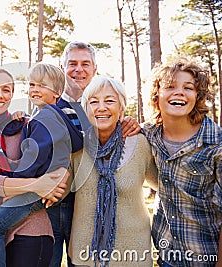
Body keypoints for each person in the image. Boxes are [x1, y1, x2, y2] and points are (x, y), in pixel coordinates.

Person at [0, 67, 70, 267]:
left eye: (6, 90)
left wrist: (58, 180)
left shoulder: (27, 126)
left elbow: (60, 160)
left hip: (31, 230)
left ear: (12, 94)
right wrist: (36, 185)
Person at [51, 41, 140, 267]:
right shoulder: (49, 105)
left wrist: (128, 122)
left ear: (94, 69)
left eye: (85, 64)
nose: (78, 69)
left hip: (88, 203)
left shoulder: (103, 106)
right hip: (53, 202)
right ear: (63, 68)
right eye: (72, 64)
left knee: (82, 259)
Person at [68, 75, 157, 266]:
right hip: (85, 255)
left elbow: (162, 183)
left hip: (133, 255)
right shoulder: (76, 147)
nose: (101, 107)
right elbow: (60, 189)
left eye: (109, 101)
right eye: (93, 102)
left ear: (121, 107)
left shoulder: (141, 143)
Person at [142, 58, 222, 267]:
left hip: (206, 257)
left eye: (188, 87)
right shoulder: (148, 134)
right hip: (166, 255)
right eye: (170, 86)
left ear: (198, 97)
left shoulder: (216, 144)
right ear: (156, 95)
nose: (179, 92)